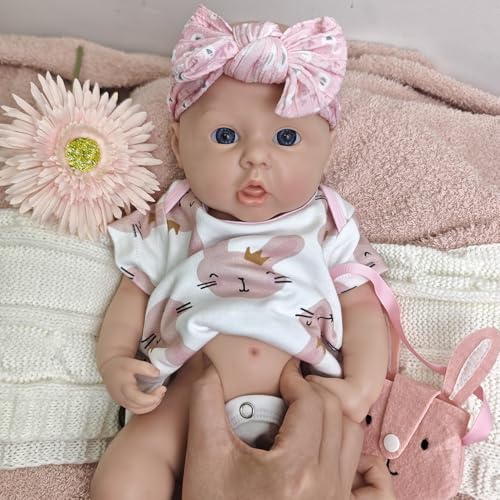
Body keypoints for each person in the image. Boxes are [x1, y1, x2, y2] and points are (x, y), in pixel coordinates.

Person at [91, 5, 390, 499]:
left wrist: (361, 387)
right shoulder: (174, 220)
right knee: (123, 479)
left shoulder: (327, 224)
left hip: (305, 397)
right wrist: (115, 361)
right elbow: (132, 293)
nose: (255, 157)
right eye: (225, 136)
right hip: (182, 398)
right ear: (178, 144)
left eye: (286, 137)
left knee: (346, 449)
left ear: (327, 148)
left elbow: (362, 307)